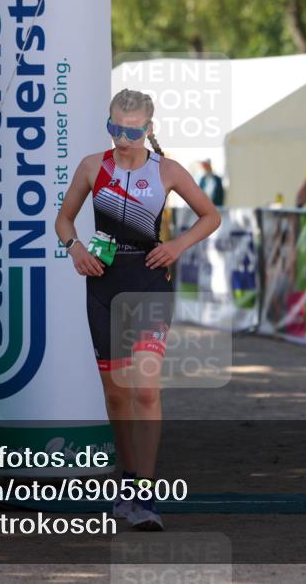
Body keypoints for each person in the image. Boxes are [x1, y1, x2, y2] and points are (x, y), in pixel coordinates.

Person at [54, 89, 220, 531]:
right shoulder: (93, 166)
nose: (123, 139)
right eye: (115, 129)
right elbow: (63, 219)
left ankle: (145, 493)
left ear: (148, 128)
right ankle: (127, 479)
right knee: (116, 395)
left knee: (145, 391)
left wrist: (177, 246)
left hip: (148, 283)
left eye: (132, 131)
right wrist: (75, 249)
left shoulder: (167, 170)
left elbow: (210, 215)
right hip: (103, 285)